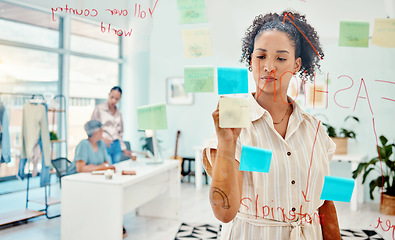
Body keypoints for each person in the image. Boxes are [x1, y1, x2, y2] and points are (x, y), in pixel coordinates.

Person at [202, 11, 341, 240]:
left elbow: (325, 202)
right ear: (250, 61)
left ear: (296, 65)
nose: (268, 67)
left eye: (280, 58)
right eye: (261, 56)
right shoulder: (233, 128)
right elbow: (224, 213)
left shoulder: (315, 130)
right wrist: (227, 142)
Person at [91, 86, 134, 164]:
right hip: (104, 143)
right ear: (108, 95)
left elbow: (120, 132)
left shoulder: (119, 113)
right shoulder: (99, 109)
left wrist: (123, 148)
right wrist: (102, 138)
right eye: (112, 97)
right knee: (108, 168)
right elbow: (92, 126)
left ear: (120, 99)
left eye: (116, 99)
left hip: (116, 144)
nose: (113, 101)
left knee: (116, 167)